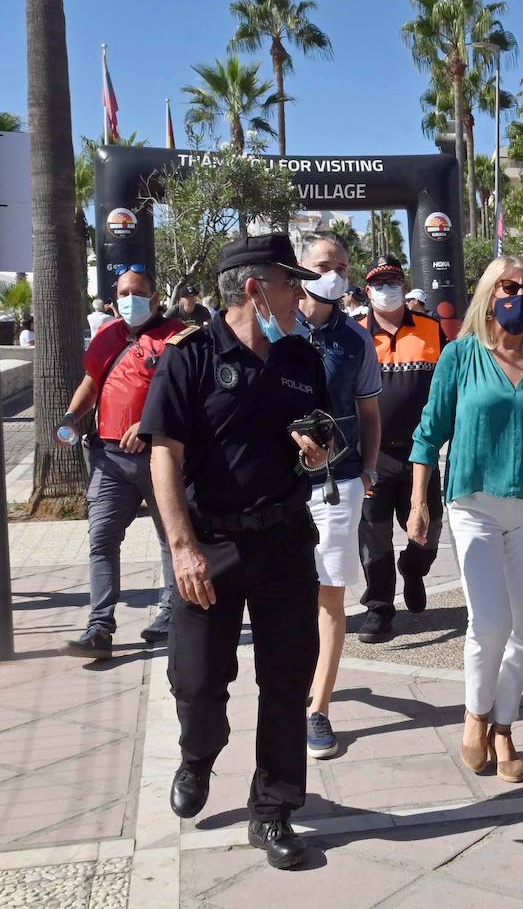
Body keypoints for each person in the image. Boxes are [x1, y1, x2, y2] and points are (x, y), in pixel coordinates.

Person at [141, 233, 331, 870]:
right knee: (196, 682)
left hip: (283, 539)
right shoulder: (189, 358)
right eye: (290, 284)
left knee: (286, 679)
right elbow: (163, 456)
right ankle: (198, 755)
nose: (299, 296)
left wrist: (317, 448)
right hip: (209, 544)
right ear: (256, 288)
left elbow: (322, 432)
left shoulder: (302, 359)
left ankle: (272, 808)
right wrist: (182, 548)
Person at [407, 255, 523, 785]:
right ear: (489, 295)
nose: (520, 296)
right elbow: (429, 433)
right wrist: (418, 503)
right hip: (474, 503)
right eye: (508, 287)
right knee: (490, 621)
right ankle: (475, 714)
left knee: (521, 627)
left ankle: (505, 727)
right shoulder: (460, 355)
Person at [60, 265, 187, 656]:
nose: (130, 299)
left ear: (153, 297)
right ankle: (99, 627)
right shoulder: (106, 336)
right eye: (123, 293)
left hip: (159, 457)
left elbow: (188, 395)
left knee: (172, 539)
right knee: (101, 539)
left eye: (139, 292)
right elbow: (93, 381)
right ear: (114, 301)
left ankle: (171, 614)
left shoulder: (178, 338)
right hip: (109, 458)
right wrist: (70, 416)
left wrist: (149, 425)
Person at [294, 233, 382, 760]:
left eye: (343, 265)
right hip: (278, 486)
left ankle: (318, 708)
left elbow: (370, 411)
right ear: (301, 270)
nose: (336, 273)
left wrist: (368, 467)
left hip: (339, 484)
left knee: (330, 593)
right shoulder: (273, 330)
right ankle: (289, 690)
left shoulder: (357, 339)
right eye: (326, 264)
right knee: (287, 594)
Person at [357, 257, 446, 643]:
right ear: (368, 291)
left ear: (404, 284)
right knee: (373, 536)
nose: (387, 288)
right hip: (373, 456)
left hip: (420, 454)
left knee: (429, 531)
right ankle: (379, 610)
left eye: (394, 280)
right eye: (380, 283)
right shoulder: (355, 333)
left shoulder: (431, 330)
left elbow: (450, 387)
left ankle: (413, 568)